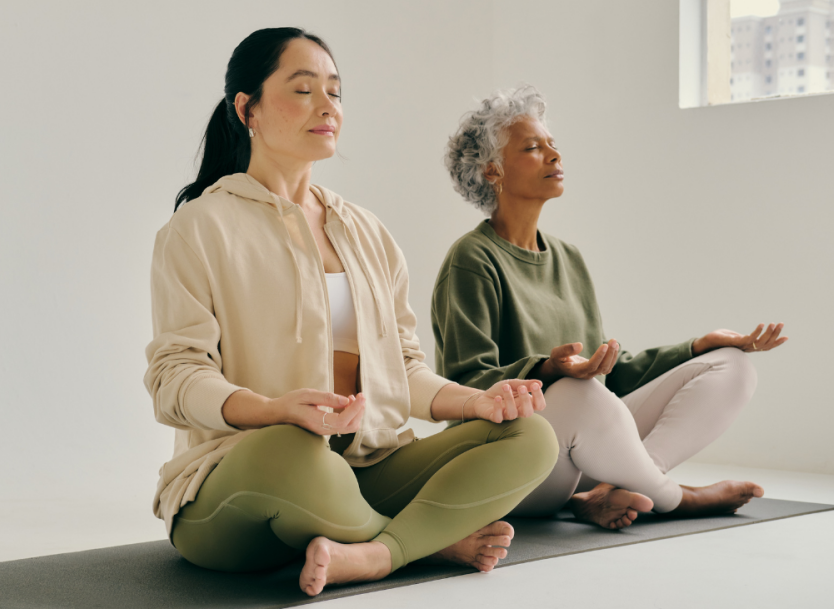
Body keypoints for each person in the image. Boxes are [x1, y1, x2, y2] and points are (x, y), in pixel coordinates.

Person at [143, 29, 559, 596]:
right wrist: (271, 411)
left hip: (364, 471)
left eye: (335, 92)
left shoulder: (366, 231)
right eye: (303, 89)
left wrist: (478, 402)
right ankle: (422, 543)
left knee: (528, 434)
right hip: (241, 486)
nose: (326, 107)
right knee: (297, 450)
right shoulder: (197, 229)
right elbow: (175, 378)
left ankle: (373, 553)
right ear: (248, 109)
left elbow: (405, 369)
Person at [433, 86, 787, 529]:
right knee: (579, 393)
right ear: (493, 172)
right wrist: (548, 370)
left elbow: (609, 374)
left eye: (552, 145)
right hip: (513, 461)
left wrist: (698, 345)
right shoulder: (471, 259)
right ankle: (675, 498)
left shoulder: (570, 258)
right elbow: (465, 384)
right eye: (532, 148)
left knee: (732, 366)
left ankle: (624, 488)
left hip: (584, 449)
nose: (554, 156)